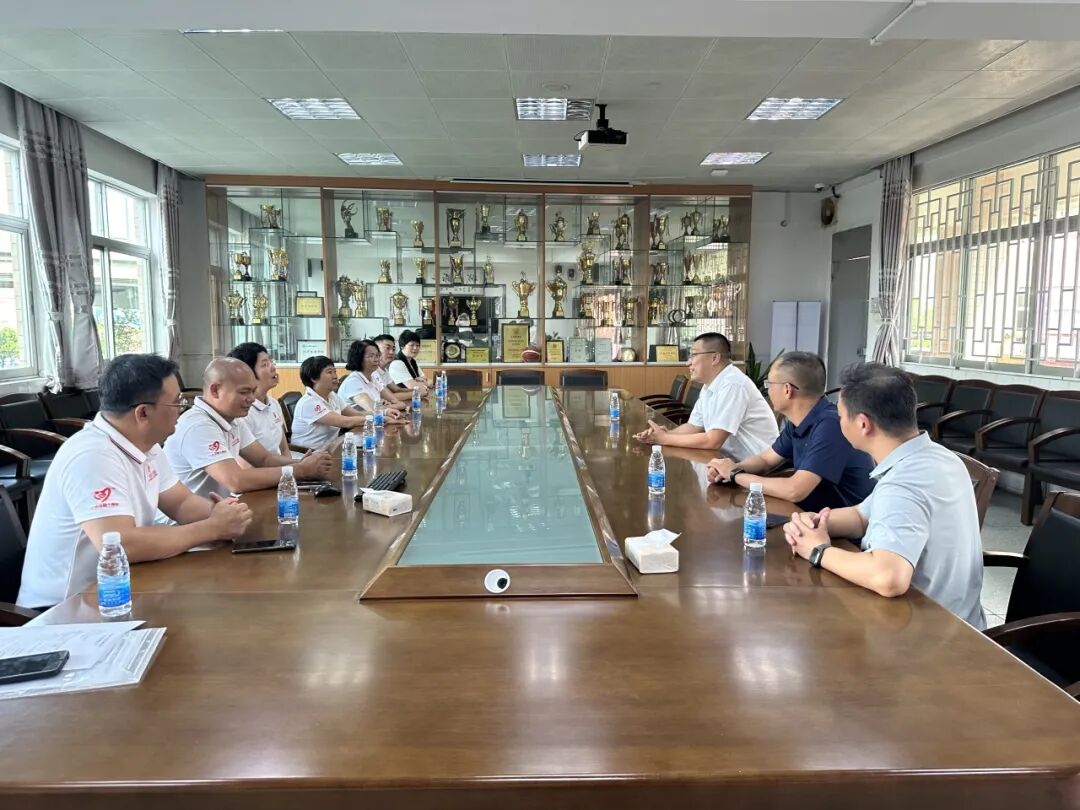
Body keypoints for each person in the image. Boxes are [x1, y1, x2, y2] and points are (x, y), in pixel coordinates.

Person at [17, 354, 253, 608]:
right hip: (65, 609)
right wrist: (212, 528)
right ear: (143, 413)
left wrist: (222, 515)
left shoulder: (147, 446)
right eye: (176, 402)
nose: (181, 409)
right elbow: (123, 544)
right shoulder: (92, 455)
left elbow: (181, 502)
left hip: (124, 589)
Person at [782, 363, 986, 629]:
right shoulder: (936, 457)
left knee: (807, 625)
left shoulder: (903, 483)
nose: (838, 422)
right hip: (956, 622)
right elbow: (861, 516)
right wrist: (814, 523)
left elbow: (888, 577)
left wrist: (818, 551)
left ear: (863, 424)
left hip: (927, 633)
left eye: (840, 416)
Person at [707, 351, 875, 511]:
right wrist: (730, 468)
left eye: (769, 384)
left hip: (842, 526)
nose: (768, 390)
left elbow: (795, 490)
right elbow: (766, 460)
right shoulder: (798, 421)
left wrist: (735, 475)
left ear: (787, 389)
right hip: (810, 515)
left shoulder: (831, 425)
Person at [163, 358, 334, 498]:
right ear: (215, 390)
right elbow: (235, 480)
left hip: (222, 511)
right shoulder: (198, 425)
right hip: (187, 523)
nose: (252, 399)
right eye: (244, 392)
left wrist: (302, 463)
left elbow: (264, 459)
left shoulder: (233, 419)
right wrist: (300, 470)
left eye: (253, 391)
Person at [634, 332, 778, 458]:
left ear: (714, 358)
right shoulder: (710, 384)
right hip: (726, 461)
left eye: (693, 355)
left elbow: (713, 441)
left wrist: (665, 439)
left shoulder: (733, 384)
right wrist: (663, 434)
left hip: (756, 467)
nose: (688, 363)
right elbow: (693, 426)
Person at [290, 354, 372, 449]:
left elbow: (356, 414)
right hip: (307, 454)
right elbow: (346, 422)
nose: (335, 376)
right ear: (314, 378)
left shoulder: (332, 395)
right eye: (329, 372)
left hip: (329, 450)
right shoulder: (309, 402)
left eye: (335, 371)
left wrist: (380, 414)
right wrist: (377, 419)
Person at [227, 341, 289, 456]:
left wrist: (293, 466)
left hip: (281, 466)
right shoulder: (242, 413)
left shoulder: (274, 403)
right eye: (265, 365)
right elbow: (249, 464)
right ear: (247, 373)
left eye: (271, 362)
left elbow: (284, 449)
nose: (273, 368)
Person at [339, 339, 410, 413]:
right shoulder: (353, 381)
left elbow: (397, 402)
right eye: (371, 356)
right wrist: (388, 406)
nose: (376, 359)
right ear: (358, 358)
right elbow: (373, 409)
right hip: (360, 419)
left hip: (377, 418)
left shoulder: (373, 377)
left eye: (377, 355)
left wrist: (384, 405)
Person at [372, 334, 413, 401]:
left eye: (393, 349)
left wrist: (416, 390)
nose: (391, 352)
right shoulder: (372, 371)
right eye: (387, 348)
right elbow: (388, 397)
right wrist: (416, 393)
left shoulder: (384, 370)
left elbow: (397, 389)